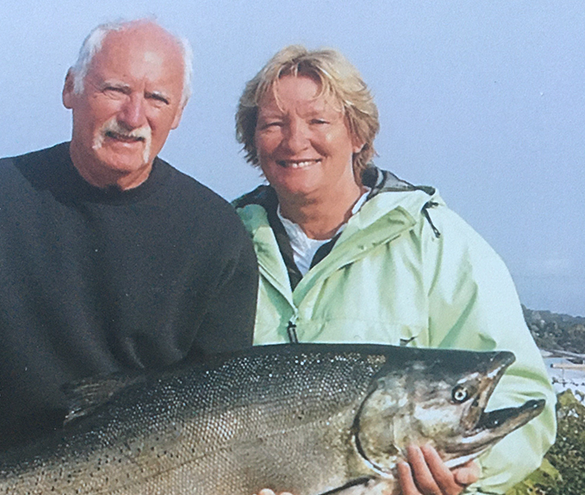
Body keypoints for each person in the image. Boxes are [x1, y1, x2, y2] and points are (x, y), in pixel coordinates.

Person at [0, 19, 259, 495]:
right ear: (71, 88)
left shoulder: (217, 234)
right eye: (115, 89)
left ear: (179, 112)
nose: (133, 115)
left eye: (156, 99)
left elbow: (225, 403)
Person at [232, 45, 556, 495]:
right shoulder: (220, 245)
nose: (294, 140)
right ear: (253, 141)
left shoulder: (437, 242)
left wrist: (467, 473)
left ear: (359, 135)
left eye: (318, 121)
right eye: (273, 124)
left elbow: (522, 397)